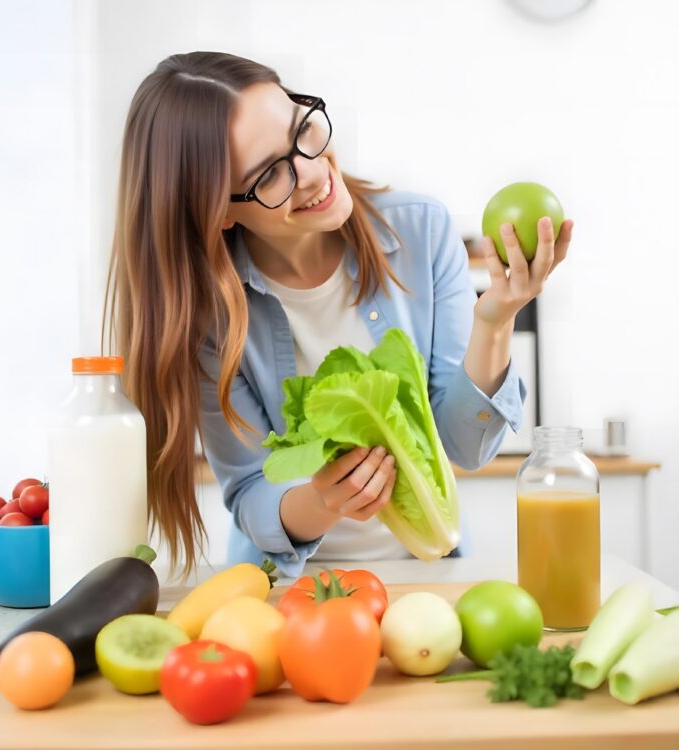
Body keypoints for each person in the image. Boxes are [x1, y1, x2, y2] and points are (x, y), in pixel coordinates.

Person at [103, 51, 573, 578]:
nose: (311, 171)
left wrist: (497, 320)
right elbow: (252, 496)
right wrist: (325, 501)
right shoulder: (209, 319)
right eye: (269, 174)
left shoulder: (421, 231)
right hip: (282, 595)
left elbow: (465, 446)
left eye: (301, 129)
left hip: (422, 581)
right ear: (218, 213)